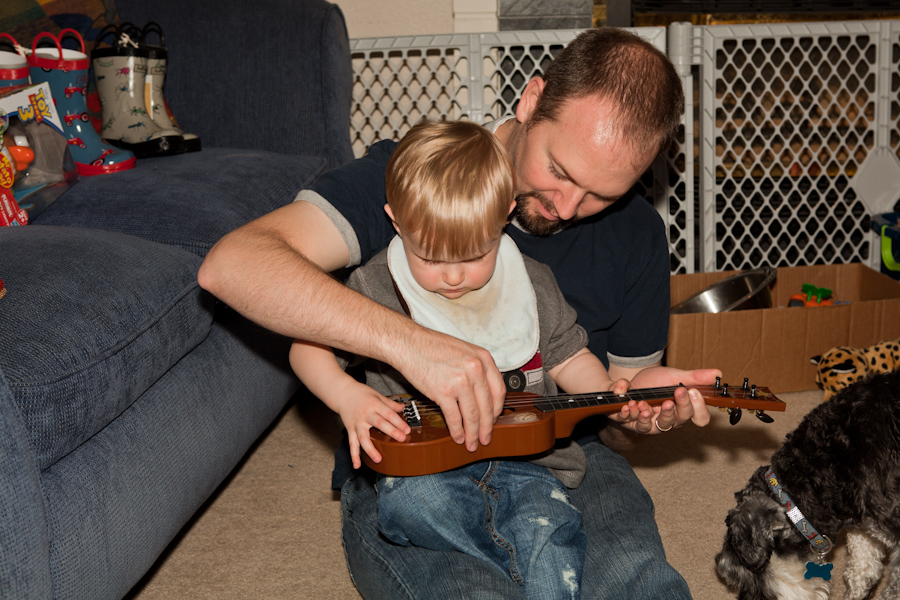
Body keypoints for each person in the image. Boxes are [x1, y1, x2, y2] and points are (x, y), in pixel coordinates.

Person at [199, 26, 721, 599]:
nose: (569, 208)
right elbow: (233, 266)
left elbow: (605, 414)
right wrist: (409, 345)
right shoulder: (422, 180)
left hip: (558, 459)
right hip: (416, 457)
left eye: (603, 194)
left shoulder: (638, 237)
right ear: (530, 100)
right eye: (562, 171)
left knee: (636, 580)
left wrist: (637, 409)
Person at [290, 120, 643, 599]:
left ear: (504, 216)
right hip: (424, 472)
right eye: (431, 257)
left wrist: (604, 393)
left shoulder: (533, 282)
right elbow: (306, 346)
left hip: (532, 467)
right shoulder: (375, 286)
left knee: (551, 536)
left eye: (477, 254)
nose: (454, 276)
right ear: (397, 222)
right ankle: (510, 560)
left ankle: (517, 567)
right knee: (412, 503)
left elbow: (569, 357)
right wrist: (347, 395)